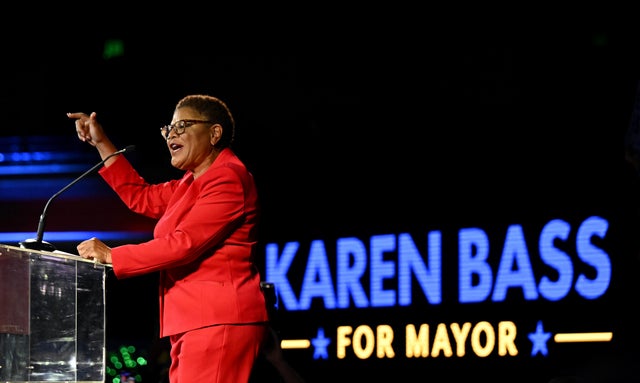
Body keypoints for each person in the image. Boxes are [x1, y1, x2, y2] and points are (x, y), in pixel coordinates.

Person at [68, 94, 270, 383]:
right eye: (169, 129)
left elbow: (184, 243)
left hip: (217, 320)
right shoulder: (192, 182)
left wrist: (114, 256)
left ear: (214, 133)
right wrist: (101, 143)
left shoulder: (228, 178)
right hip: (194, 322)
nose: (171, 135)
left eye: (183, 126)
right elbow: (140, 197)